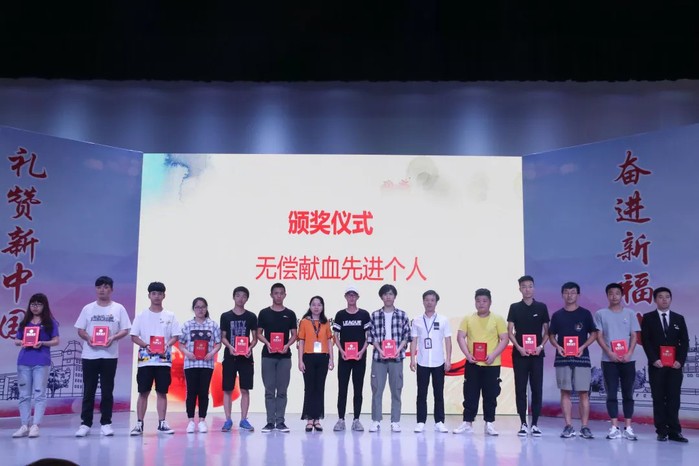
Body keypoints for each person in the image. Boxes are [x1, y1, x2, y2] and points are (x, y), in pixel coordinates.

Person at [74, 276, 132, 437]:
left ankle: (106, 423)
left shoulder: (118, 308)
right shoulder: (88, 308)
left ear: (111, 290)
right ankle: (85, 424)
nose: (102, 290)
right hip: (89, 355)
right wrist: (88, 338)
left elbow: (125, 329)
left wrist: (113, 337)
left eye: (106, 287)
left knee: (107, 390)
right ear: (95, 289)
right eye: (99, 287)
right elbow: (80, 329)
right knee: (89, 390)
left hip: (109, 355)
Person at [453, 288, 508, 436]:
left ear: (490, 302)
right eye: (478, 301)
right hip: (473, 363)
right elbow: (460, 337)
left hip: (492, 363)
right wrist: (467, 355)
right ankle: (467, 422)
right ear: (474, 302)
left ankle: (489, 423)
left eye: (484, 301)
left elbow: (504, 339)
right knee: (470, 394)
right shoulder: (468, 318)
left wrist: (493, 355)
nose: (481, 304)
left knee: (490, 395)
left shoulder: (498, 319)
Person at [129, 281, 182, 435]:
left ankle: (162, 423)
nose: (157, 296)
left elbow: (175, 336)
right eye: (154, 293)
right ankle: (139, 424)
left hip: (163, 361)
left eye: (159, 293)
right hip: (145, 361)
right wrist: (146, 345)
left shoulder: (170, 316)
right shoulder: (141, 316)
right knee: (143, 392)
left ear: (164, 296)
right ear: (149, 295)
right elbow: (134, 336)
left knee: (162, 392)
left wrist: (167, 345)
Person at [548, 282, 597, 439]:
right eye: (567, 292)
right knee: (565, 391)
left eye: (573, 292)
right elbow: (551, 335)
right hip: (563, 358)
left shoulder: (585, 314)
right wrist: (557, 347)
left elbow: (594, 333)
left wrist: (583, 347)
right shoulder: (557, 315)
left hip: (582, 357)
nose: (570, 295)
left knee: (584, 393)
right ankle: (568, 426)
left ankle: (585, 427)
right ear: (562, 294)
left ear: (578, 295)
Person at [641, 287, 690, 443]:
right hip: (657, 365)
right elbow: (646, 341)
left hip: (675, 366)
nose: (664, 299)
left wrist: (680, 361)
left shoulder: (678, 318)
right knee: (658, 398)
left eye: (667, 297)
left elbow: (684, 342)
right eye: (660, 297)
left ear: (670, 299)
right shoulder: (648, 318)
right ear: (655, 300)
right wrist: (654, 359)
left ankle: (675, 431)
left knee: (674, 398)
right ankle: (662, 431)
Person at [594, 283, 640, 441]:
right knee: (611, 393)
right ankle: (614, 427)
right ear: (607, 296)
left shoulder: (630, 313)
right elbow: (599, 336)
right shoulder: (601, 314)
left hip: (628, 360)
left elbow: (634, 335)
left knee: (628, 393)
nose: (614, 296)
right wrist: (609, 353)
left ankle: (628, 427)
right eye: (611, 293)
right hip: (609, 360)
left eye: (617, 293)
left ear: (622, 296)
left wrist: (629, 353)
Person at [12, 293, 60, 438]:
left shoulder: (50, 323)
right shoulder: (24, 322)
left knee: (39, 394)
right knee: (24, 395)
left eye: (38, 304)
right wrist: (21, 342)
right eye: (33, 304)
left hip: (41, 362)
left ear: (44, 306)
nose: (35, 307)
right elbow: (16, 340)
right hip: (24, 362)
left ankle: (35, 425)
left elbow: (56, 341)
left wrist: (42, 343)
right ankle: (24, 425)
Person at [507, 275, 549, 437]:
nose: (527, 289)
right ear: (520, 289)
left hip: (537, 354)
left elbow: (547, 331)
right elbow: (510, 331)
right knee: (520, 388)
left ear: (534, 288)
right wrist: (519, 347)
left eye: (530, 286)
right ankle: (523, 423)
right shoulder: (514, 307)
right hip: (520, 355)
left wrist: (540, 347)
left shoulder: (541, 307)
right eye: (524, 286)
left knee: (537, 388)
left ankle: (535, 424)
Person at [368, 284, 411, 433]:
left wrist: (398, 350)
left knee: (396, 389)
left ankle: (395, 421)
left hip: (396, 358)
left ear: (395, 296)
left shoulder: (402, 315)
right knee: (376, 389)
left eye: (391, 294)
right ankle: (376, 420)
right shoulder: (375, 315)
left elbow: (407, 335)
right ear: (381, 297)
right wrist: (380, 350)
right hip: (378, 358)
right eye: (385, 294)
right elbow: (371, 336)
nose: (388, 297)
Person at [256, 282, 297, 433]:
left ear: (285, 295)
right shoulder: (264, 313)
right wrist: (267, 343)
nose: (278, 296)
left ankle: (280, 422)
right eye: (276, 293)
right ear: (271, 295)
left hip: (284, 357)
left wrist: (287, 345)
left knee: (282, 391)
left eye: (281, 293)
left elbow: (294, 335)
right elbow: (259, 333)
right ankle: (269, 422)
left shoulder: (290, 314)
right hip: (268, 356)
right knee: (269, 390)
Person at [409, 290, 452, 433]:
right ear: (423, 301)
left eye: (432, 300)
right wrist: (412, 359)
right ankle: (421, 422)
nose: (429, 303)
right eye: (427, 300)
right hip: (422, 362)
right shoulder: (417, 320)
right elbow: (414, 341)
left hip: (438, 362)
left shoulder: (443, 320)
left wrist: (448, 360)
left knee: (438, 393)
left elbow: (448, 341)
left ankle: (439, 422)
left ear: (436, 302)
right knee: (421, 393)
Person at [179, 297, 221, 434]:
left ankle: (202, 420)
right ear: (193, 309)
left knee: (204, 392)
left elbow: (218, 343)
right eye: (197, 307)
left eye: (203, 307)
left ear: (206, 308)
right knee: (191, 392)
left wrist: (211, 353)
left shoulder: (213, 325)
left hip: (206, 364)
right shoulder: (187, 325)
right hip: (190, 364)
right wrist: (187, 353)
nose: (200, 310)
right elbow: (181, 344)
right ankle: (191, 421)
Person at [332, 286, 372, 432]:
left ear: (357, 297)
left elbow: (368, 336)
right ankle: (341, 419)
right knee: (342, 389)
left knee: (358, 389)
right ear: (345, 297)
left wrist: (362, 351)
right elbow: (336, 336)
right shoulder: (340, 315)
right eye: (349, 295)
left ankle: (356, 420)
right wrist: (342, 351)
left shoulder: (364, 314)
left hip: (359, 358)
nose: (351, 297)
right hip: (344, 358)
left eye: (354, 295)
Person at [219, 286, 258, 432]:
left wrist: (250, 348)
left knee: (245, 389)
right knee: (227, 389)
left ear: (247, 299)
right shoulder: (225, 316)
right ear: (233, 297)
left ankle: (244, 419)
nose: (241, 299)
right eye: (238, 295)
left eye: (244, 296)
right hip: (230, 356)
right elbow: (223, 337)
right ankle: (228, 420)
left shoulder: (251, 316)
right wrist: (230, 346)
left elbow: (255, 338)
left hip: (246, 357)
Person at [297, 296, 334, 432]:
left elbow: (329, 341)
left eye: (319, 305)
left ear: (323, 307)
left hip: (323, 357)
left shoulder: (326, 322)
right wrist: (300, 360)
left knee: (319, 388)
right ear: (310, 306)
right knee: (309, 388)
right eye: (314, 304)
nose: (316, 307)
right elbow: (301, 341)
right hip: (308, 357)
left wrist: (331, 359)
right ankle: (309, 419)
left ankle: (317, 419)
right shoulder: (304, 322)